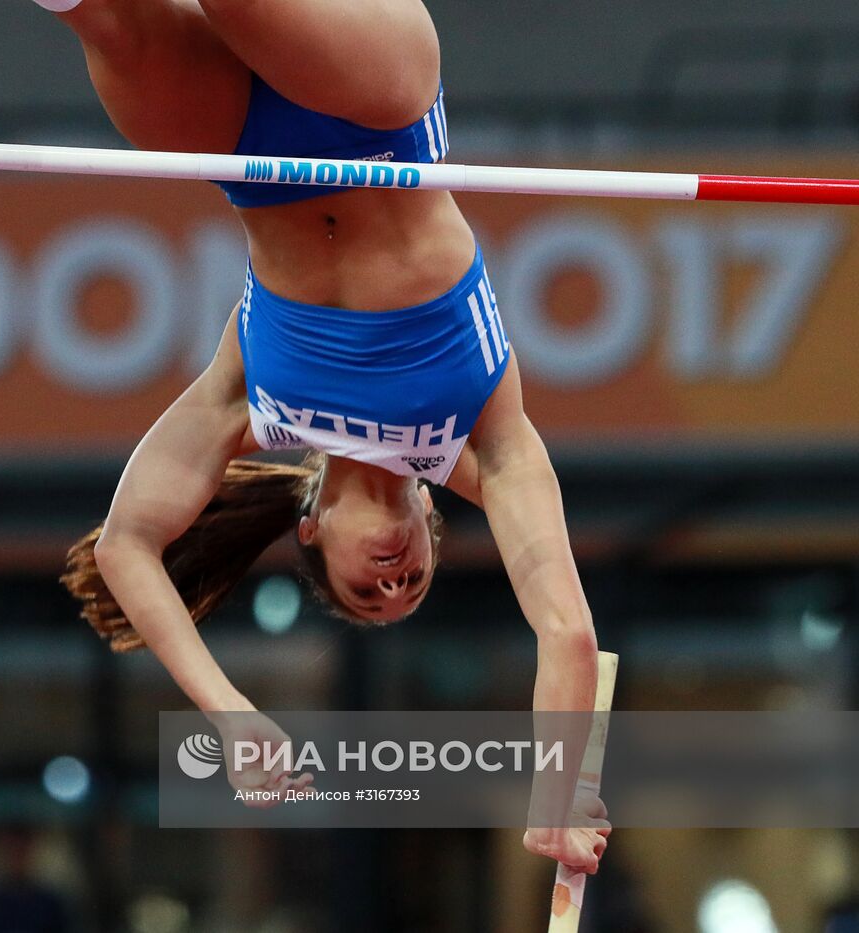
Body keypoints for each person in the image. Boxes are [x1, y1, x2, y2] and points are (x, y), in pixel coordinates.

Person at [48, 0, 609, 874]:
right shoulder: (491, 446)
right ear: (430, 514)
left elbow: (128, 544)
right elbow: (566, 629)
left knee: (100, 18)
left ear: (310, 532)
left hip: (249, 155)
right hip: (378, 111)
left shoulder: (258, 408)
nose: (394, 583)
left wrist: (231, 714)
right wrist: (558, 792)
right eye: (413, 581)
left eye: (368, 591)